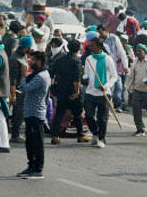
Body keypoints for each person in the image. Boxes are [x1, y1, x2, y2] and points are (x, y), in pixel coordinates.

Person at [17, 51, 50, 180]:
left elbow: (24, 88)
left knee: (37, 143)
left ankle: (38, 169)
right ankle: (31, 166)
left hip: (36, 113)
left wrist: (23, 76)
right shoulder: (38, 74)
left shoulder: (41, 76)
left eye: (33, 60)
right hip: (30, 112)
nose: (30, 63)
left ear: (39, 61)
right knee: (30, 142)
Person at [50, 39, 89, 144]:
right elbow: (76, 79)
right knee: (77, 114)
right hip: (72, 91)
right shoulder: (76, 61)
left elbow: (52, 73)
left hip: (61, 90)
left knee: (59, 113)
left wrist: (53, 87)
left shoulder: (60, 59)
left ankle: (55, 135)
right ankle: (80, 135)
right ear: (78, 49)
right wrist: (77, 92)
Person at [84, 38, 118, 148]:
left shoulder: (108, 59)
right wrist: (84, 78)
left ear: (99, 47)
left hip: (104, 93)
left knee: (102, 118)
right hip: (90, 92)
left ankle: (101, 138)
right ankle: (96, 133)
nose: (90, 47)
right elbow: (86, 74)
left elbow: (114, 76)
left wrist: (106, 85)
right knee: (88, 116)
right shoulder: (88, 59)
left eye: (92, 45)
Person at [127, 44, 147, 136]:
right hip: (137, 90)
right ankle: (140, 128)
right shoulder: (135, 63)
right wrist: (129, 89)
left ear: (145, 52)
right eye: (137, 51)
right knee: (136, 110)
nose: (138, 53)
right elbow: (131, 77)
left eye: (140, 51)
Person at [9, 35, 33, 144]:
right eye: (29, 47)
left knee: (19, 113)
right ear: (25, 47)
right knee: (18, 113)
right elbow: (13, 78)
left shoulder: (22, 55)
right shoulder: (15, 59)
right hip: (17, 89)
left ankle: (15, 132)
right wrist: (13, 94)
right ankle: (15, 134)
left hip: (22, 87)